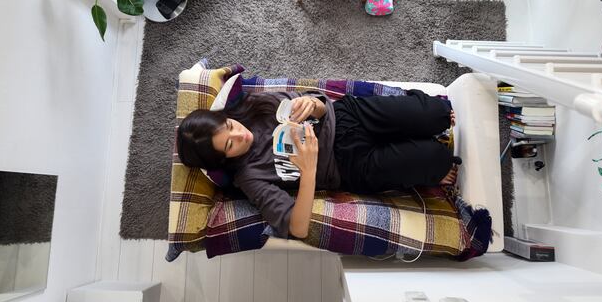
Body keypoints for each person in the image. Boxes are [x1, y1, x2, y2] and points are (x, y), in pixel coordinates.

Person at [177, 90, 460, 239]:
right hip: (348, 166)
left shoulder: (254, 106)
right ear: (223, 159)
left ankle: (423, 127)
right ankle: (424, 153)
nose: (240, 134)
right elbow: (297, 228)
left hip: (348, 116)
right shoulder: (249, 177)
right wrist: (308, 169)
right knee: (438, 160)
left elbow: (321, 106)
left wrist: (314, 104)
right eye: (230, 144)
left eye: (230, 125)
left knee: (438, 113)